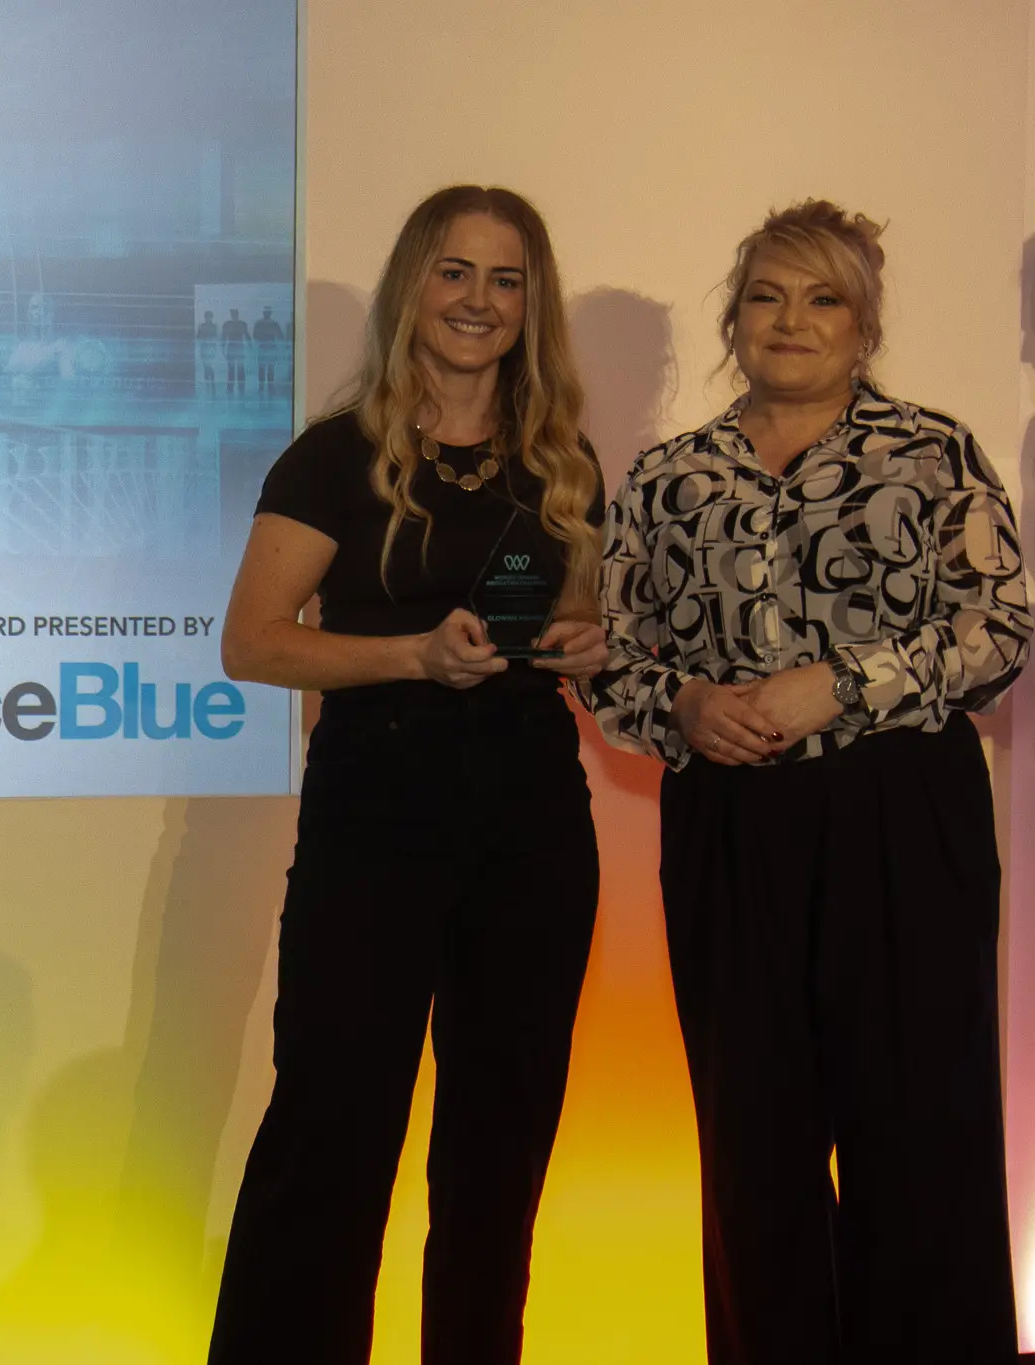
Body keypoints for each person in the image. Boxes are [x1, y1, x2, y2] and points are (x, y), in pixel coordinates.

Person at [590, 200, 1032, 1363]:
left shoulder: (930, 453)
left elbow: (996, 632)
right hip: (728, 824)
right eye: (765, 296)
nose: (789, 320)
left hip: (900, 815)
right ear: (732, 318)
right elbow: (605, 652)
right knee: (753, 1148)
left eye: (821, 298)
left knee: (919, 1136)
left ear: (862, 323)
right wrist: (684, 704)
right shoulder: (667, 476)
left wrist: (834, 686)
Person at [209, 184, 608, 1365]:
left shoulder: (561, 462)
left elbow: (571, 619)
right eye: (454, 272)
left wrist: (583, 642)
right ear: (411, 289)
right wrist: (412, 657)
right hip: (374, 816)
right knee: (329, 1132)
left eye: (504, 279)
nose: (477, 301)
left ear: (530, 304)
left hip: (531, 821)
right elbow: (251, 643)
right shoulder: (334, 456)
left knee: (500, 1147)